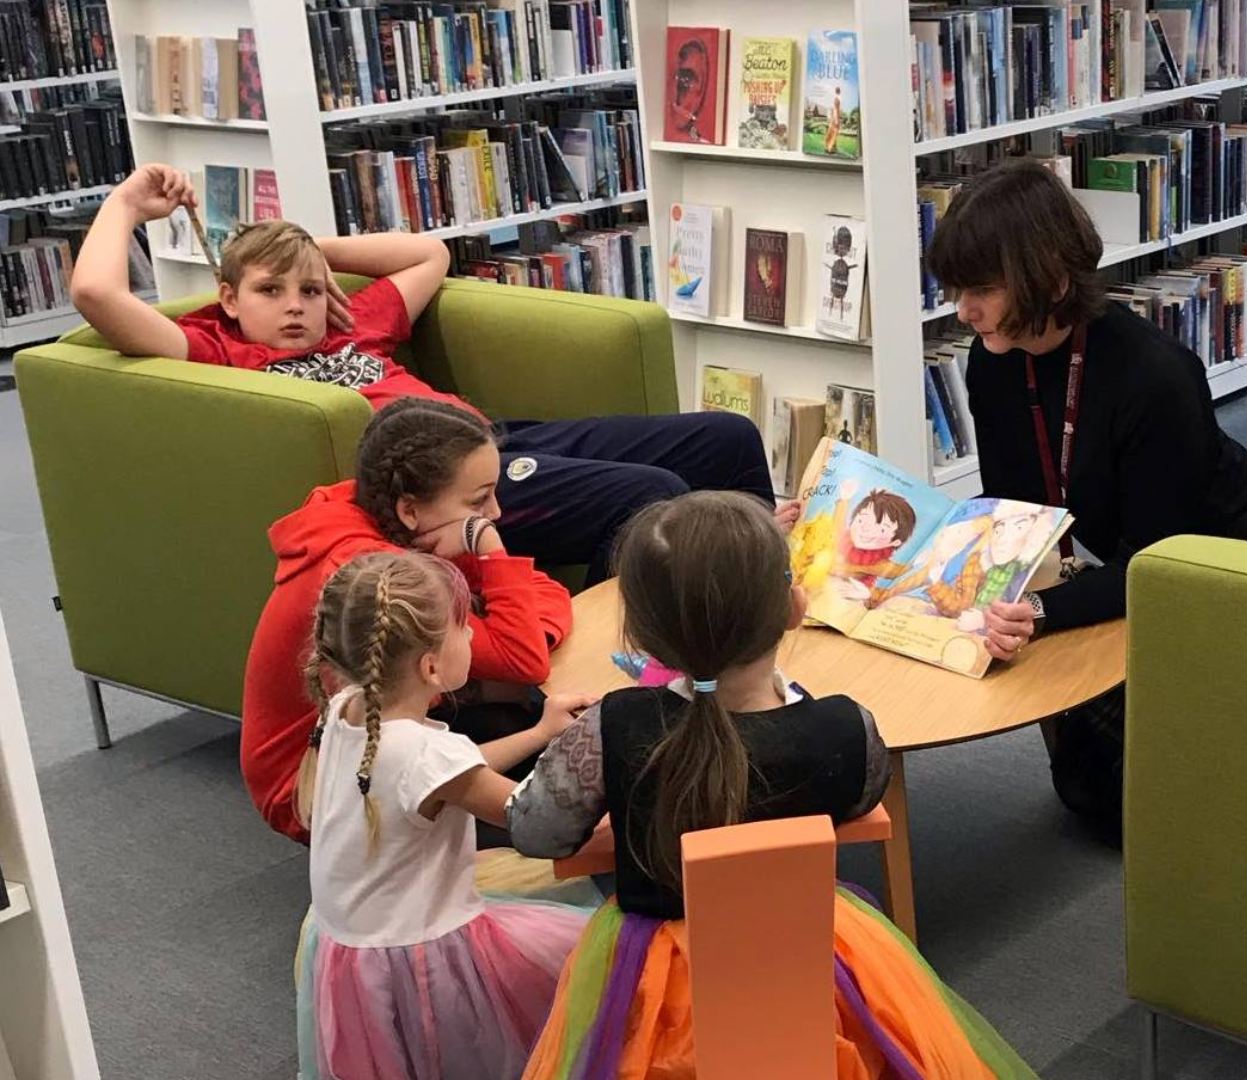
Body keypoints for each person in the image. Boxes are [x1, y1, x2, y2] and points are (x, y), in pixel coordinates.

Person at [506, 492, 1033, 1077]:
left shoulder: (617, 724)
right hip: (805, 957)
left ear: (646, 633)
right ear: (792, 605)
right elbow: (861, 799)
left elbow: (535, 832)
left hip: (661, 975)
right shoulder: (842, 726)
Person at [70, 163, 775, 586]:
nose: (294, 308)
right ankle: (634, 687)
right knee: (653, 495)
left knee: (727, 436)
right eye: (270, 291)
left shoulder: (352, 321)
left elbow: (427, 254)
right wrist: (128, 204)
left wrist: (304, 250)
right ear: (228, 298)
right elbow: (98, 296)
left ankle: (768, 609)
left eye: (309, 291)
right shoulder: (218, 348)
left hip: (496, 440)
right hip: (441, 487)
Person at [924, 159, 1247, 825]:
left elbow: (1155, 563)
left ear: (1050, 277)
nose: (964, 309)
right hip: (1147, 570)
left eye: (981, 288)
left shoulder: (1154, 375)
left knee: (1146, 808)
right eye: (956, 287)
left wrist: (1036, 610)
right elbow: (1015, 510)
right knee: (1091, 787)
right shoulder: (993, 360)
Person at [293, 551, 596, 1080]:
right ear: (431, 666)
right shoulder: (424, 756)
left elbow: (443, 781)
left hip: (354, 954)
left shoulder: (346, 709)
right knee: (595, 963)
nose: (475, 638)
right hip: (425, 965)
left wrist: (539, 734)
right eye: (465, 627)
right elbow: (535, 819)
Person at [243, 399, 572, 845]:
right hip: (312, 784)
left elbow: (546, 592)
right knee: (556, 793)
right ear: (410, 510)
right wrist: (491, 551)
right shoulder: (387, 574)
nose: (493, 514)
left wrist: (514, 632)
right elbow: (525, 659)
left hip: (386, 722)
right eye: (478, 501)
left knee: (532, 712)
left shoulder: (406, 526)